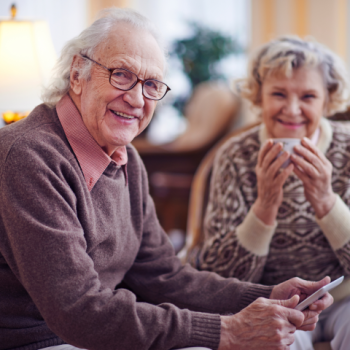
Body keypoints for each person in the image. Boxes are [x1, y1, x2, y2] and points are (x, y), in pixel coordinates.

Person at [0, 10, 332, 350]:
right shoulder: (29, 157)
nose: (136, 98)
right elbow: (78, 309)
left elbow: (165, 277)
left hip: (93, 336)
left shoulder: (126, 158)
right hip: (37, 341)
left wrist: (268, 296)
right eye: (121, 74)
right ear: (76, 75)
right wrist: (227, 331)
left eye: (151, 84)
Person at [192, 36, 350, 350]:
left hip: (345, 299)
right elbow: (219, 275)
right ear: (259, 97)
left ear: (327, 99)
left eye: (308, 96)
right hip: (267, 302)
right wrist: (264, 207)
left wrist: (325, 201)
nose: (292, 110)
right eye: (278, 94)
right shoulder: (235, 155)